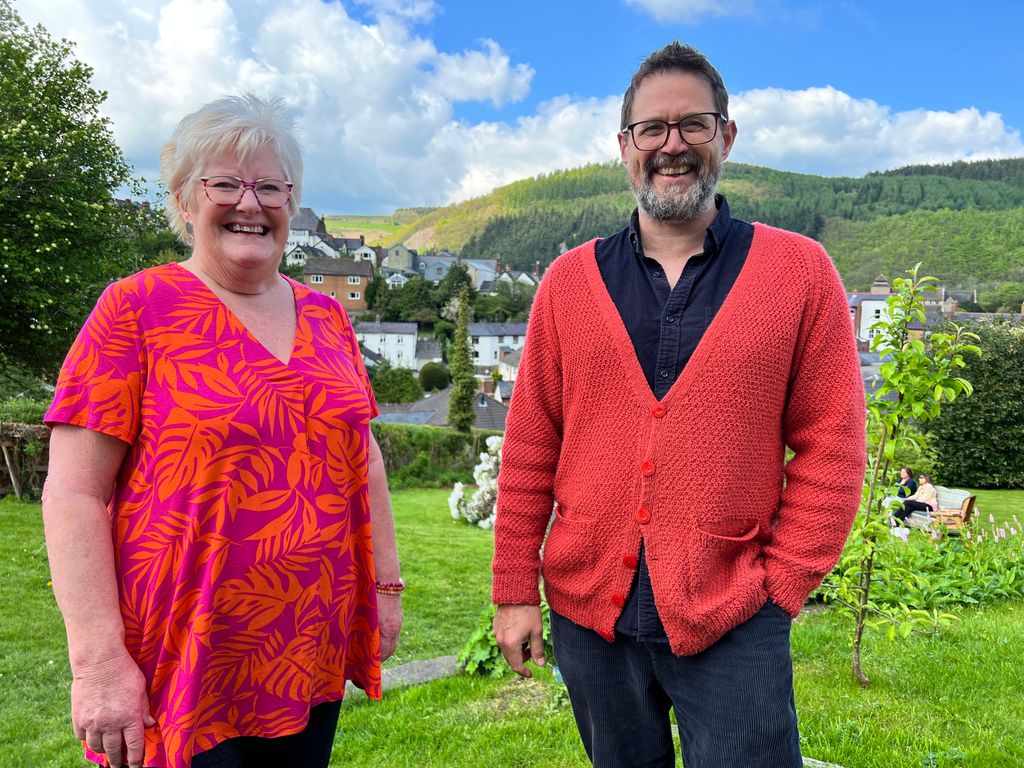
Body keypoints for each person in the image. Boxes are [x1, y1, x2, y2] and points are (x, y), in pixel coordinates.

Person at [491, 42, 865, 767]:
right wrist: (514, 589)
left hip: (733, 613)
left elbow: (835, 446)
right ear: (624, 148)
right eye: (652, 129)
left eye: (693, 124)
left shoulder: (799, 273)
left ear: (726, 137)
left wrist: (782, 584)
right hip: (589, 615)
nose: (673, 145)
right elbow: (531, 444)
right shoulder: (568, 284)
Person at [42, 94, 402, 768]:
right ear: (184, 201)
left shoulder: (328, 318)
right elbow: (73, 494)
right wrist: (96, 661)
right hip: (181, 656)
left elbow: (367, 459)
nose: (250, 202)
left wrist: (383, 589)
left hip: (306, 648)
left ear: (291, 204)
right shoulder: (135, 310)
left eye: (269, 185)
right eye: (224, 184)